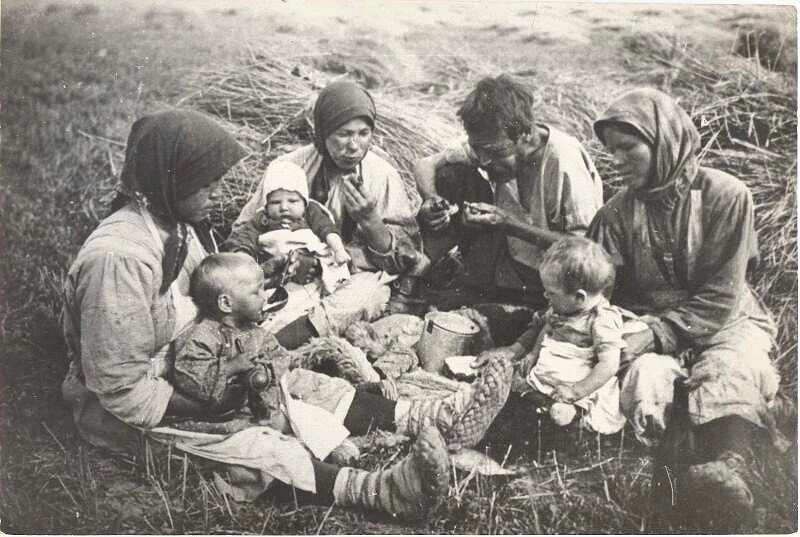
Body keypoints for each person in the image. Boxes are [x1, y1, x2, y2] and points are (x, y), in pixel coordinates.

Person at [59, 109, 465, 520]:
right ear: (170, 179)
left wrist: (262, 290)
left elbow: (205, 300)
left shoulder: (173, 222)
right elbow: (118, 387)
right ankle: (381, 491)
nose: (216, 193)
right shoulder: (119, 259)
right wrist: (206, 407)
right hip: (143, 405)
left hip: (202, 366)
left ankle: (430, 415)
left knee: (298, 383)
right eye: (206, 184)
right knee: (254, 447)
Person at [587, 88, 782, 522]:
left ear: (664, 141)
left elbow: (721, 294)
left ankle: (728, 465)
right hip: (652, 323)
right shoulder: (616, 214)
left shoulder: (726, 196)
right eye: (611, 150)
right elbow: (602, 288)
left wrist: (656, 334)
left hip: (726, 319)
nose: (615, 161)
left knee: (734, 365)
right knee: (646, 378)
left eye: (627, 148)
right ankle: (679, 463)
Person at [229, 80, 429, 342]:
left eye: (363, 133)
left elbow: (404, 260)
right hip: (282, 269)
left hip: (349, 277)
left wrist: (370, 222)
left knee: (367, 295)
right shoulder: (289, 167)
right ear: (322, 133)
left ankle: (283, 340)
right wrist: (280, 260)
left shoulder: (382, 176)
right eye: (343, 134)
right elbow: (245, 229)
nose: (354, 146)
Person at [414, 74, 603, 309]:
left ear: (524, 134)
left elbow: (584, 249)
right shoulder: (493, 139)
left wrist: (511, 226)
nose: (482, 160)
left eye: (492, 151)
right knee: (450, 174)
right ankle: (441, 275)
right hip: (511, 263)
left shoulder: (563, 161)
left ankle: (506, 301)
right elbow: (425, 164)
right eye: (477, 149)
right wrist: (432, 199)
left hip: (558, 280)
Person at [486, 237, 627, 434]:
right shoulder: (562, 307)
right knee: (518, 383)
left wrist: (575, 391)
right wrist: (533, 354)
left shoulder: (602, 319)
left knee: (567, 405)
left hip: (577, 377)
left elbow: (609, 364)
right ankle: (539, 403)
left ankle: (572, 413)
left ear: (579, 297)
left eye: (551, 293)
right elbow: (547, 328)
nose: (546, 297)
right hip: (551, 366)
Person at [224, 160, 350, 295]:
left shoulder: (311, 212)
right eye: (275, 202)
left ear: (304, 202)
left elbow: (327, 230)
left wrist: (338, 250)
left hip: (311, 262)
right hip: (277, 268)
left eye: (292, 201)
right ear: (266, 205)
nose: (284, 207)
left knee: (332, 281)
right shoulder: (262, 218)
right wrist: (243, 255)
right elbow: (244, 236)